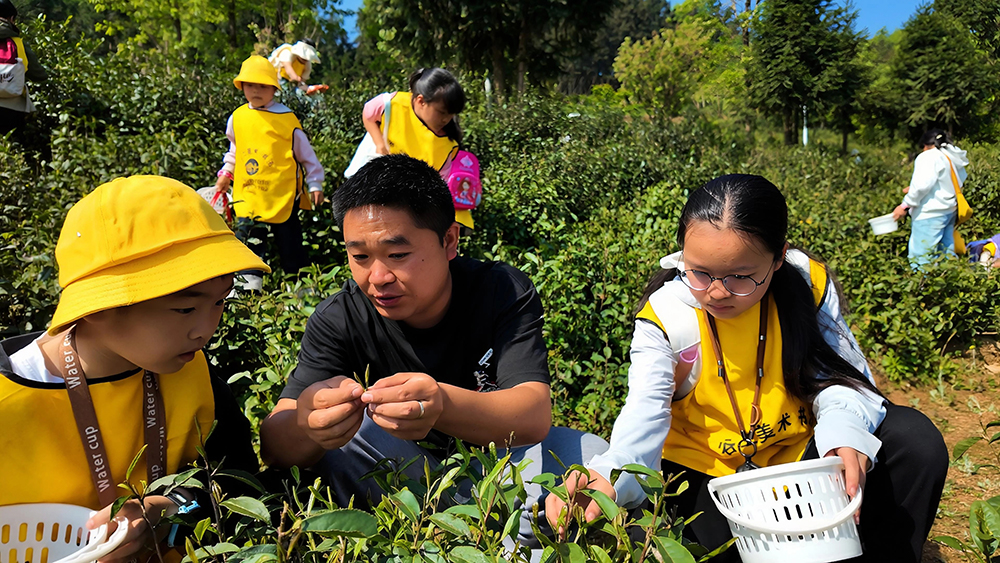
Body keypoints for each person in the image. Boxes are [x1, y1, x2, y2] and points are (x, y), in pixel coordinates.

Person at [546, 175, 948, 563]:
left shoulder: (807, 285)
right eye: (699, 272)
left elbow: (843, 376)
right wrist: (609, 479)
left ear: (776, 260)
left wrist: (842, 434)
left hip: (802, 463)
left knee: (912, 441)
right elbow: (643, 416)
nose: (717, 292)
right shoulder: (667, 316)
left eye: (741, 277)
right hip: (706, 478)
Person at [259, 154, 607, 545]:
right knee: (349, 440)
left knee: (597, 458)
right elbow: (274, 447)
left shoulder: (499, 290)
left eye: (398, 255)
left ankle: (499, 537)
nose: (377, 277)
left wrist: (441, 404)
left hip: (496, 463)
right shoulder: (339, 317)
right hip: (400, 472)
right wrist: (309, 423)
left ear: (449, 241)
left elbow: (532, 413)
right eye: (359, 256)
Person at [0, 175, 265, 561]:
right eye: (185, 308)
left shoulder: (197, 377)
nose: (206, 330)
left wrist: (175, 510)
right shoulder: (12, 398)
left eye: (219, 302)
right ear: (99, 308)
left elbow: (240, 485)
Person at [214, 54, 325, 290]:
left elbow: (307, 156)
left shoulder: (286, 119)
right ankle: (247, 289)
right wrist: (226, 173)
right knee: (247, 242)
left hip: (282, 194)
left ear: (274, 88)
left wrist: (315, 183)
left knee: (291, 243)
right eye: (251, 85)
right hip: (249, 194)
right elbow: (235, 150)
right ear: (242, 86)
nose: (256, 90)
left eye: (263, 85)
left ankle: (302, 288)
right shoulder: (238, 117)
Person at [358, 68, 473, 231]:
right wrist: (379, 143)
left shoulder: (446, 144)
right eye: (441, 112)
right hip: (373, 192)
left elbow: (441, 181)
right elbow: (368, 114)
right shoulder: (392, 103)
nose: (446, 119)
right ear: (421, 101)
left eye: (451, 115)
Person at [892, 129, 970, 268]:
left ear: (926, 144)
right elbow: (954, 181)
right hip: (948, 211)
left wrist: (904, 206)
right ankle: (949, 285)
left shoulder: (928, 156)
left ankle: (921, 287)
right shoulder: (950, 155)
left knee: (921, 258)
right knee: (945, 254)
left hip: (930, 214)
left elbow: (921, 186)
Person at [0, 0, 47, 136]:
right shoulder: (19, 43)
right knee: (13, 146)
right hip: (12, 110)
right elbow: (39, 75)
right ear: (11, 19)